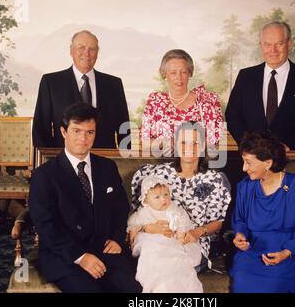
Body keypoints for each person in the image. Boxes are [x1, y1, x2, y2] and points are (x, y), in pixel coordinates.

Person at [29, 102, 141, 293]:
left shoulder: (107, 167)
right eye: (77, 131)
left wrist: (116, 238)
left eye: (89, 132)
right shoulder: (44, 175)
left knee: (133, 290)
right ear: (64, 132)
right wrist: (81, 257)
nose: (83, 138)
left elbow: (121, 207)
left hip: (106, 250)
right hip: (65, 256)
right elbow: (46, 225)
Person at [131, 121, 231, 271]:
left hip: (192, 242)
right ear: (175, 145)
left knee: (175, 267)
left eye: (195, 143)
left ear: (204, 146)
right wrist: (148, 228)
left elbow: (217, 222)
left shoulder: (214, 180)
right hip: (157, 239)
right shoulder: (158, 174)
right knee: (156, 264)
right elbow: (139, 213)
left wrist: (197, 232)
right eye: (183, 142)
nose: (189, 148)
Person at [230, 131, 295, 293]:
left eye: (249, 162)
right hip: (253, 251)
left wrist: (286, 253)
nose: (243, 168)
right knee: (241, 279)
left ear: (267, 163)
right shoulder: (245, 187)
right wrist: (240, 235)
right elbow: (240, 219)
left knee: (273, 286)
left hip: (290, 252)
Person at [225, 21, 295, 150]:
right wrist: (249, 145)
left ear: (289, 44)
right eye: (267, 44)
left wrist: (290, 145)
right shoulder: (246, 77)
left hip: (291, 157)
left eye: (279, 44)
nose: (273, 50)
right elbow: (232, 115)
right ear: (261, 45)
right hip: (252, 160)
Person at [32, 30, 130, 149]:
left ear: (97, 53)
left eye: (92, 49)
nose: (87, 53)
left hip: (105, 161)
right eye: (81, 48)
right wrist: (50, 162)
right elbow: (41, 128)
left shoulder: (114, 84)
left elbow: (124, 128)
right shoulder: (51, 82)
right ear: (71, 51)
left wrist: (125, 161)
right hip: (64, 161)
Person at [128, 175, 203, 293]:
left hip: (173, 241)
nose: (163, 199)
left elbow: (182, 225)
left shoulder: (174, 210)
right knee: (154, 251)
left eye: (166, 195)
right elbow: (134, 226)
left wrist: (180, 238)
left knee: (178, 260)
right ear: (146, 200)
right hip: (152, 242)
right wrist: (132, 242)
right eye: (157, 197)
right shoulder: (144, 212)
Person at [140, 49, 225, 152]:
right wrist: (165, 142)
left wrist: (185, 146)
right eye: (173, 73)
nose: (179, 77)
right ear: (164, 74)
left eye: (184, 72)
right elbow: (144, 141)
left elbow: (217, 138)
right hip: (163, 163)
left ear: (189, 73)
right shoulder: (155, 101)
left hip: (198, 164)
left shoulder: (207, 101)